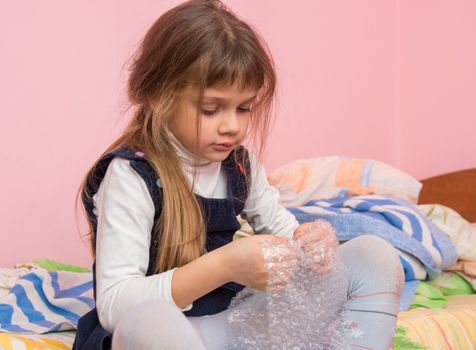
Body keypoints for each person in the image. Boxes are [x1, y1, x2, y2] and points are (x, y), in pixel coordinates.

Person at [73, 1, 404, 349]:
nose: (232, 126)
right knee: (149, 321)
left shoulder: (240, 166)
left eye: (244, 108)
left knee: (373, 255)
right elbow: (113, 307)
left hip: (230, 330)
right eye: (211, 109)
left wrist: (312, 247)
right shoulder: (132, 176)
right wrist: (225, 265)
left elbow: (286, 234)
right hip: (162, 336)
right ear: (158, 96)